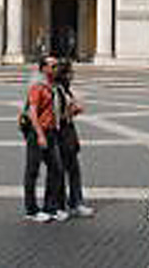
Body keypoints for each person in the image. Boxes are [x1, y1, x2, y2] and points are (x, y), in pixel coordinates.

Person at [21, 56, 66, 222]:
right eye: (53, 66)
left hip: (51, 132)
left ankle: (50, 207)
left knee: (56, 169)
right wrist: (40, 134)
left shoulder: (52, 86)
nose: (57, 69)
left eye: (57, 65)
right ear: (43, 68)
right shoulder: (37, 87)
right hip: (38, 132)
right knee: (32, 171)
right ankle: (31, 210)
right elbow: (33, 112)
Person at [54, 59, 94, 218]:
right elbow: (56, 115)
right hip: (60, 134)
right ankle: (60, 205)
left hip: (69, 133)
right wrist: (73, 110)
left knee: (73, 170)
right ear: (65, 74)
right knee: (61, 171)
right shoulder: (56, 91)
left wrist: (73, 109)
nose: (73, 75)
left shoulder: (66, 90)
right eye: (71, 72)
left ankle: (75, 202)